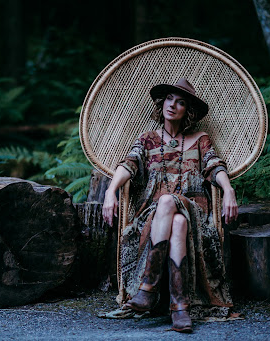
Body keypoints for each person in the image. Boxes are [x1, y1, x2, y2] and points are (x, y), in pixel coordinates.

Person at [102, 78, 238, 333]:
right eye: (169, 99)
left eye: (181, 102)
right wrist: (111, 191)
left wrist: (228, 190)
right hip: (155, 217)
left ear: (189, 111)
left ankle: (147, 290)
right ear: (161, 103)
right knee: (176, 220)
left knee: (171, 203)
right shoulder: (148, 139)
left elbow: (214, 165)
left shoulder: (200, 139)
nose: (173, 105)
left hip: (194, 210)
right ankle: (180, 308)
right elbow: (129, 164)